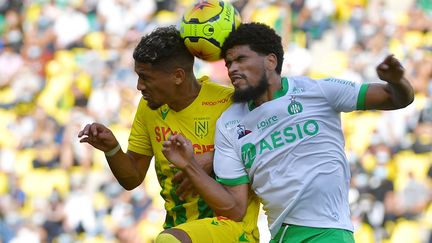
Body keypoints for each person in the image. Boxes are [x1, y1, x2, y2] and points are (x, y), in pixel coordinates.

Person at [161, 22, 415, 243]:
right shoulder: (228, 125)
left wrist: (397, 80)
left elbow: (396, 99)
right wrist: (190, 165)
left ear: (271, 61)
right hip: (281, 236)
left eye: (240, 59)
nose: (232, 69)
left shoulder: (319, 91)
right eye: (228, 63)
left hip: (328, 232)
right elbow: (235, 209)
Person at [78, 26, 260, 242]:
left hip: (232, 230)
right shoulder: (148, 108)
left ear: (178, 76)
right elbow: (132, 178)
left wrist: (214, 157)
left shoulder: (229, 103)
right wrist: (112, 149)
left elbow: (263, 149)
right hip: (179, 230)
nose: (138, 86)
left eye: (145, 77)